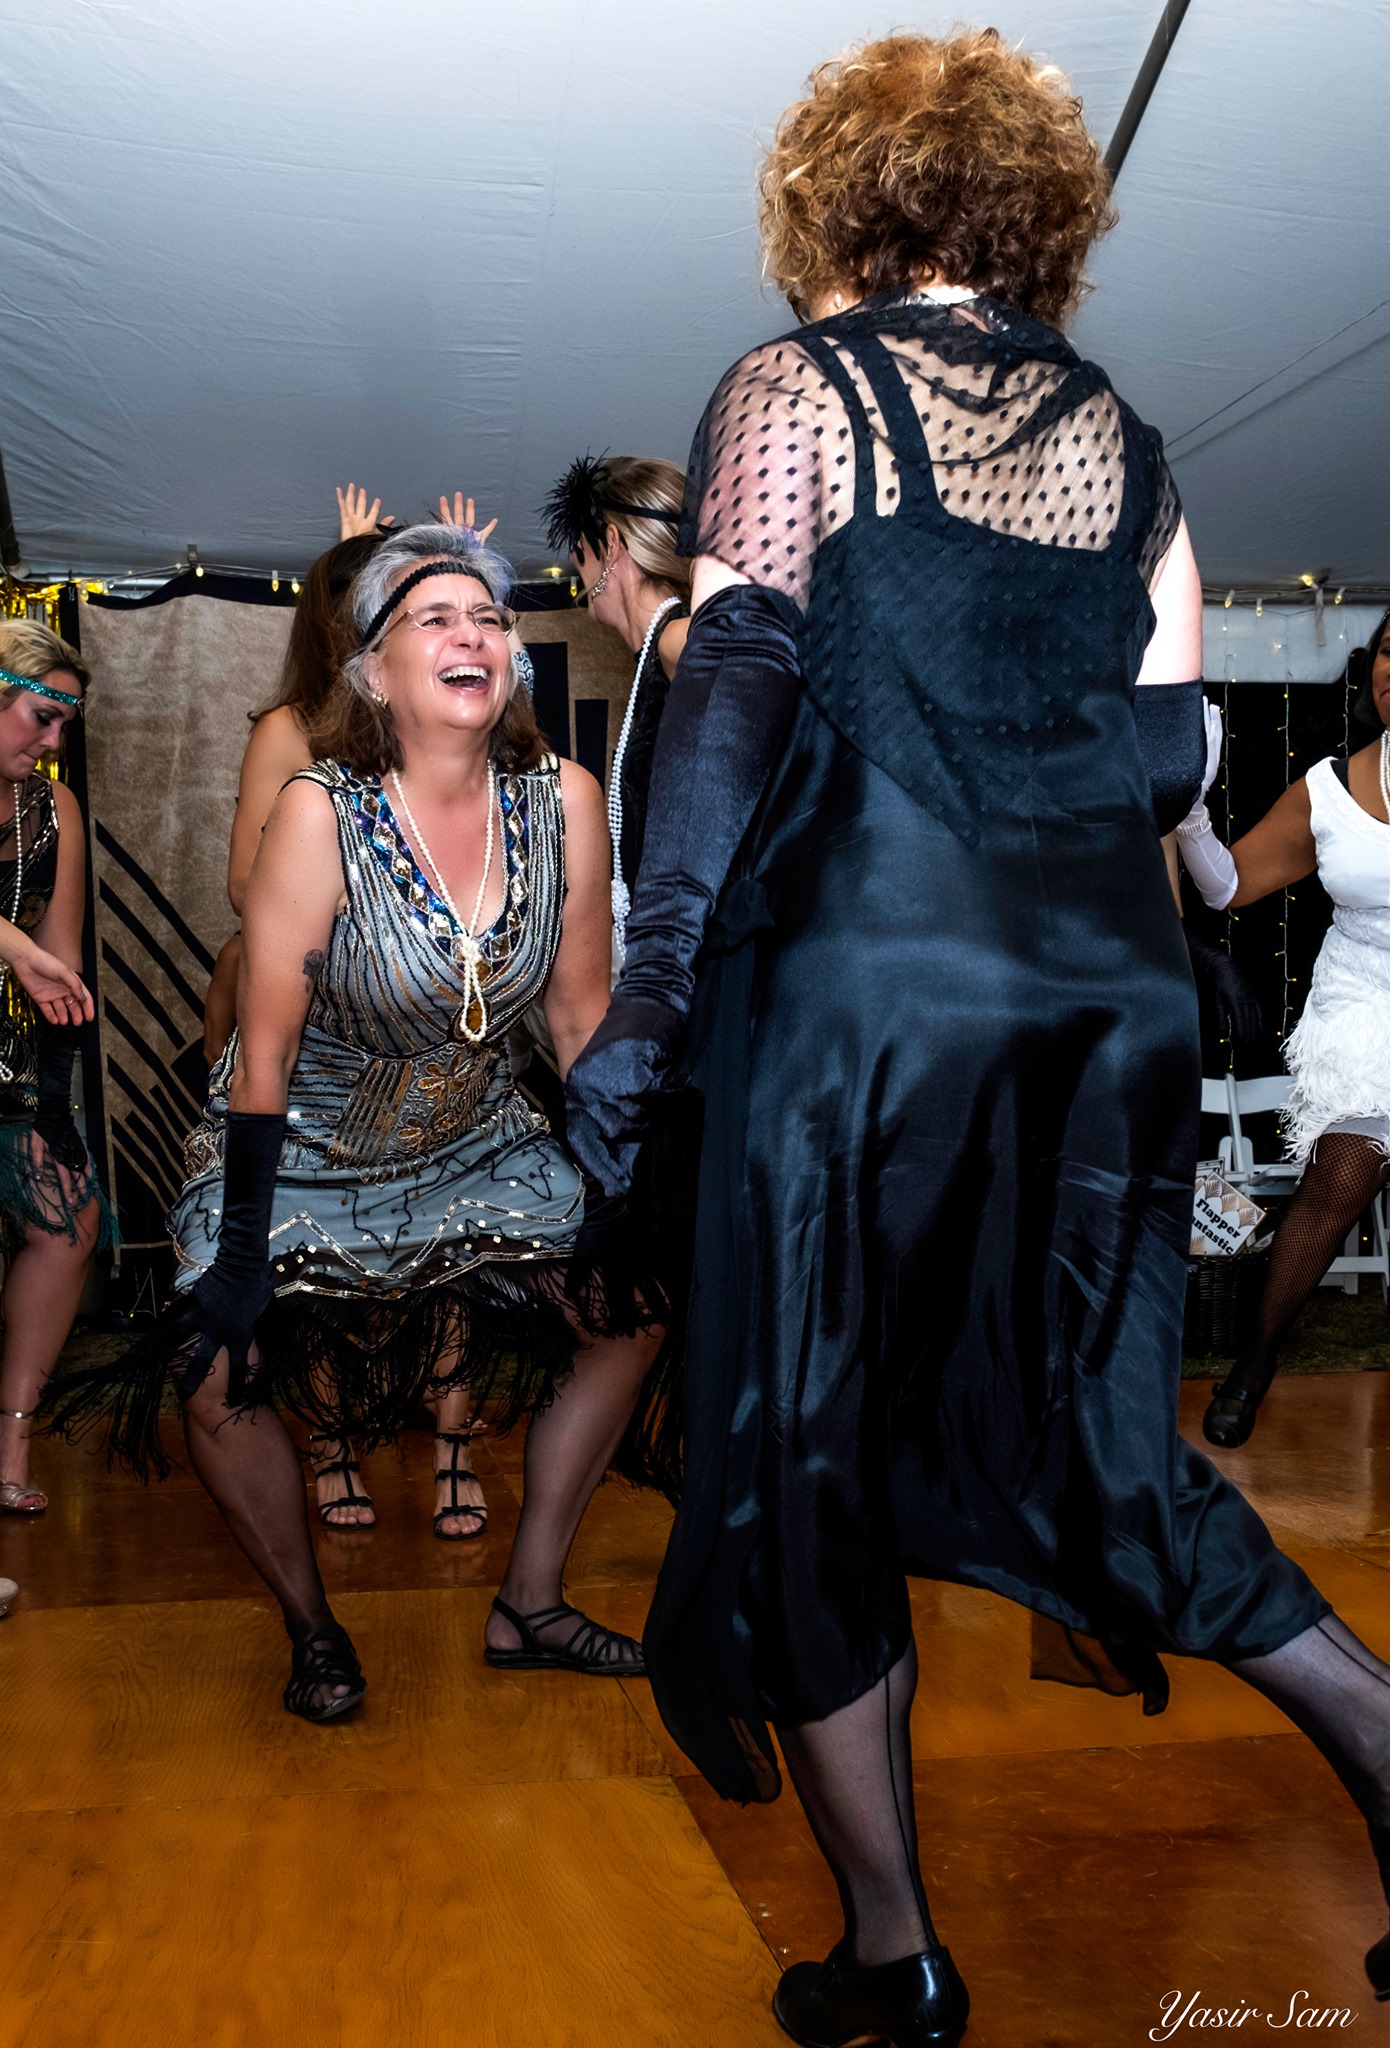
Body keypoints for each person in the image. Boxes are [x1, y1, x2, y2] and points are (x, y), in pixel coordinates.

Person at [564, 31, 1390, 2041]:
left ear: (833, 205)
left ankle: (893, 1952)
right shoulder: (1133, 441)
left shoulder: (798, 389)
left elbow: (741, 683)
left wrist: (654, 985)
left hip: (871, 987)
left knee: (807, 1437)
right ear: (1031, 212)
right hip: (1098, 1000)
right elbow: (1178, 755)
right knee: (1084, 1434)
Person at [55, 523, 663, 1721]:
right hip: (312, 1137)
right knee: (211, 1368)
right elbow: (263, 1044)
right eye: (432, 619)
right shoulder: (320, 813)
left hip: (476, 1126)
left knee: (629, 1314)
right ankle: (313, 1624)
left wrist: (624, 1186)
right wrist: (236, 1247)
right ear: (374, 672)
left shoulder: (566, 802)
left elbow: (583, 1019)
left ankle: (530, 1596)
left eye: (487, 619)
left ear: (512, 666)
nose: (470, 633)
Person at [209, 485, 501, 1537]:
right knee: (321, 1247)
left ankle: (456, 1444)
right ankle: (331, 1446)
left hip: (436, 1030)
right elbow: (250, 888)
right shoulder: (291, 729)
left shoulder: (451, 725)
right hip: (327, 1026)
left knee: (459, 1236)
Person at [1180, 605, 1390, 1448]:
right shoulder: (1329, 789)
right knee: (1340, 1177)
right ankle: (1254, 1362)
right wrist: (1193, 809)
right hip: (1364, 1007)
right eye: (1385, 651)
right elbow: (1226, 889)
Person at [0, 620, 113, 1516]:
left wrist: (57, 1110)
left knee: (72, 1222)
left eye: (63, 725)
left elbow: (59, 964)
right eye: (39, 719)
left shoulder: (54, 812)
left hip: (6, 1064)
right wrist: (14, 951)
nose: (51, 742)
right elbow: (26, 954)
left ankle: (13, 1440)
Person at [542, 456, 690, 965]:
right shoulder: (656, 653)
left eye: (579, 555)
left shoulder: (678, 639)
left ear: (610, 546)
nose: (579, 576)